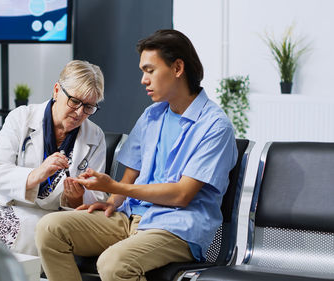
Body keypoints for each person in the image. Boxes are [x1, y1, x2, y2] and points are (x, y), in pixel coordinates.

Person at [35, 29, 238, 281]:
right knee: (49, 228)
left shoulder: (215, 127)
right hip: (130, 218)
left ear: (177, 68)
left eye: (150, 70)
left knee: (114, 264)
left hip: (176, 229)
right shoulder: (152, 116)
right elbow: (131, 174)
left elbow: (182, 195)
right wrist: (111, 201)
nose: (143, 79)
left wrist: (115, 186)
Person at [0, 60, 108, 256]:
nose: (80, 112)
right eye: (74, 101)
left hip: (53, 216)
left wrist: (76, 198)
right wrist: (35, 174)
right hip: (5, 204)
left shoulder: (95, 137)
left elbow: (96, 198)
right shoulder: (21, 118)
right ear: (57, 90)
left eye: (89, 107)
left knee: (44, 233)